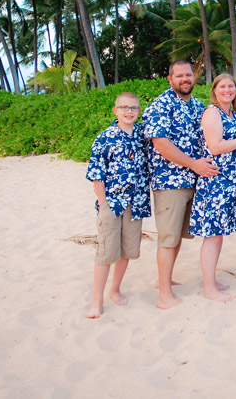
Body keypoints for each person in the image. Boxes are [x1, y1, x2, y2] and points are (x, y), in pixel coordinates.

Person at [144, 60, 219, 309]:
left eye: (189, 75)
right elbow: (161, 144)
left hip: (194, 181)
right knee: (167, 237)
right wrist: (194, 164)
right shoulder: (161, 104)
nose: (185, 79)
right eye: (179, 76)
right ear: (170, 79)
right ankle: (164, 294)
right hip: (170, 182)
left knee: (176, 236)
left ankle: (165, 281)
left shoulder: (197, 106)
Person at [189, 73, 236, 302]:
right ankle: (208, 287)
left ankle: (210, 281)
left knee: (218, 235)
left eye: (231, 86)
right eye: (222, 86)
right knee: (212, 236)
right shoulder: (212, 112)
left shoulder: (232, 114)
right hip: (217, 181)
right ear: (214, 90)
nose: (227, 90)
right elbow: (216, 146)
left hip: (232, 180)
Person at [85, 92, 150, 319]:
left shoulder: (143, 134)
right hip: (112, 203)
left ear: (139, 111)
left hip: (136, 202)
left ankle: (115, 290)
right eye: (124, 107)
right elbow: (96, 173)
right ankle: (97, 299)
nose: (129, 111)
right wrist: (103, 203)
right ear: (115, 111)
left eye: (133, 108)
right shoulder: (105, 138)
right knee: (105, 252)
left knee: (126, 250)